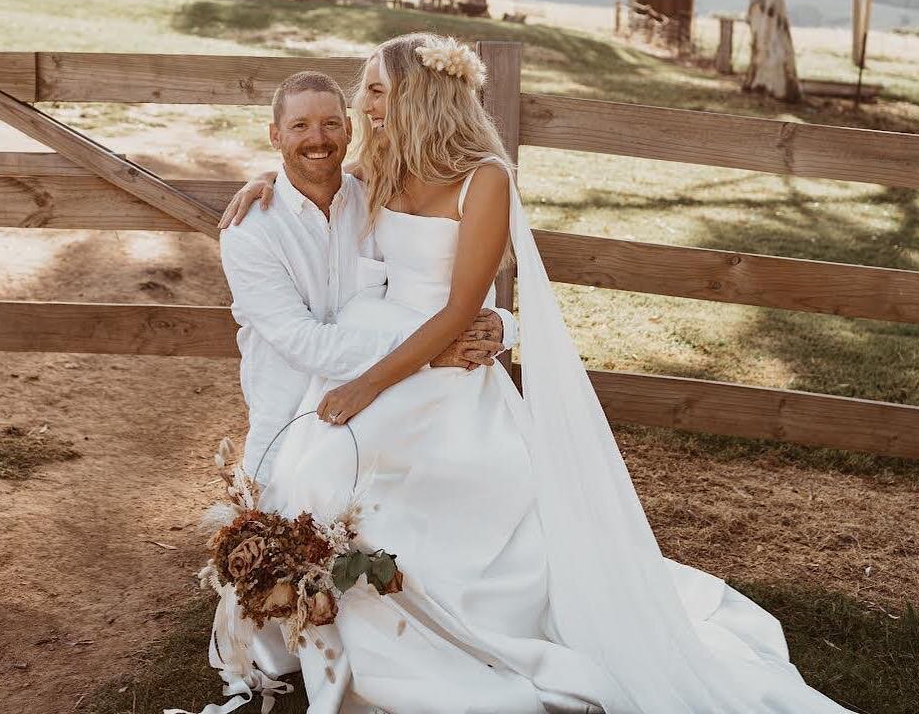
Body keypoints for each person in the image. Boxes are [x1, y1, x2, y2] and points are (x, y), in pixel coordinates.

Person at [200, 36, 853, 714]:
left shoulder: (481, 178)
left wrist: (395, 371)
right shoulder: (383, 162)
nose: (358, 107)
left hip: (437, 362)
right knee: (324, 471)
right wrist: (267, 179)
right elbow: (318, 171)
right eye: (361, 94)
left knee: (439, 495)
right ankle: (320, 621)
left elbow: (461, 304)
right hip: (386, 345)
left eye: (372, 91)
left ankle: (447, 634)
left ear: (416, 95)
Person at [216, 70, 517, 487]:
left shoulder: (379, 195)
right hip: (292, 422)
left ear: (350, 128)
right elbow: (302, 341)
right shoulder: (251, 230)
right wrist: (430, 356)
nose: (317, 139)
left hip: (396, 408)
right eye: (299, 126)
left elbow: (434, 275)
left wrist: (499, 323)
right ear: (274, 135)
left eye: (331, 124)